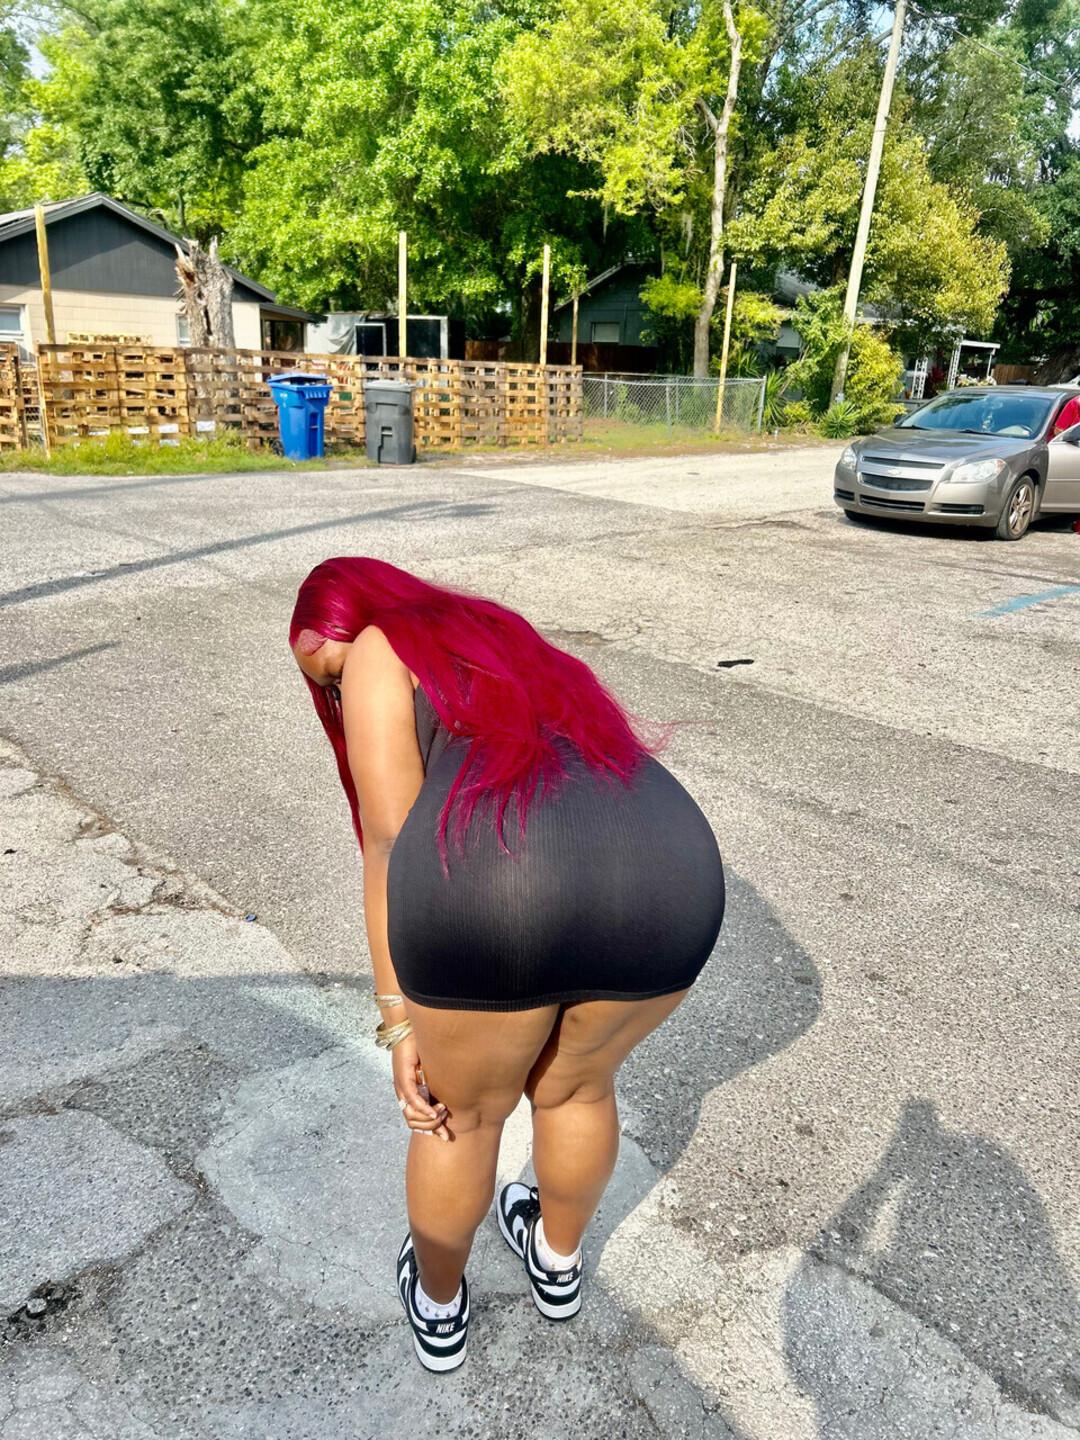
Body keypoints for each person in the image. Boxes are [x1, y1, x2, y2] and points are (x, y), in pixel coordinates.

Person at [290, 557, 726, 1372]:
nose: (340, 699)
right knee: (579, 1087)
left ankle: (439, 1305)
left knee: (461, 1114)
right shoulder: (505, 638)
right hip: (673, 872)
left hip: (499, 888)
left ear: (364, 623)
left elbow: (389, 841)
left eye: (334, 679)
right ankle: (557, 1265)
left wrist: (397, 1022)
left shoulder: (384, 645)